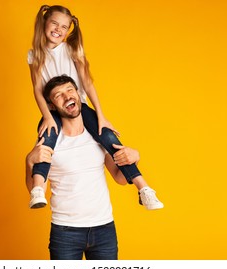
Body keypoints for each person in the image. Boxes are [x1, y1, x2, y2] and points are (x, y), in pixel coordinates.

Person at [27, 5, 163, 210]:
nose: (58, 29)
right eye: (54, 23)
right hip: (53, 109)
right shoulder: (34, 55)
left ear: (69, 30)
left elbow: (88, 83)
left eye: (64, 27)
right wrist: (46, 116)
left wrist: (101, 114)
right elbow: (37, 89)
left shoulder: (71, 49)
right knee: (46, 143)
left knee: (108, 137)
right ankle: (38, 190)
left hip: (78, 106)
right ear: (44, 23)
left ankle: (143, 188)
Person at [26, 75, 143, 259]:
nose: (67, 97)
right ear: (51, 106)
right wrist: (29, 162)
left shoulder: (98, 134)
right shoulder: (50, 139)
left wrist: (136, 157)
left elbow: (119, 178)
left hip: (104, 229)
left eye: (70, 90)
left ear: (79, 95)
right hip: (65, 232)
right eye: (58, 95)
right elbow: (35, 188)